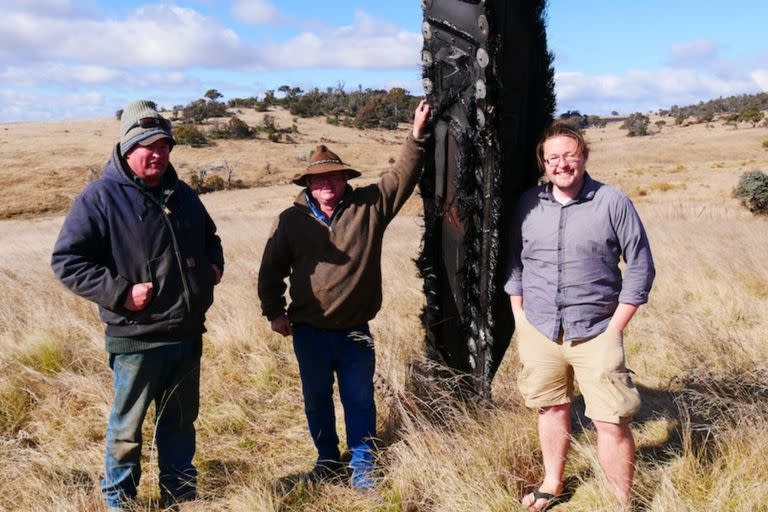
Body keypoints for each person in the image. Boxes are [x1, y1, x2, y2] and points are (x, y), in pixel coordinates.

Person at [51, 100, 224, 510]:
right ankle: (119, 503)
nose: (158, 154)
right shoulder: (99, 198)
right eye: (149, 145)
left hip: (185, 335)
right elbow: (67, 261)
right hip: (136, 339)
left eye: (165, 146)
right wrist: (121, 293)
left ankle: (180, 498)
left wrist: (212, 267)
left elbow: (210, 237)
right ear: (127, 148)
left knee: (180, 425)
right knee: (126, 430)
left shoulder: (183, 195)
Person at [258, 100, 431, 490]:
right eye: (318, 180)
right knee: (316, 400)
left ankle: (363, 464)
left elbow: (401, 176)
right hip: (308, 331)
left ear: (344, 179)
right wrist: (274, 312)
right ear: (308, 185)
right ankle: (326, 459)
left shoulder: (368, 207)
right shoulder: (290, 221)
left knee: (359, 399)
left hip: (355, 331)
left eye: (333, 177)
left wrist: (417, 134)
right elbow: (271, 271)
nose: (326, 185)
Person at [505, 122, 655, 511]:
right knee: (551, 407)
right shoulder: (528, 203)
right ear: (544, 163)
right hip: (540, 329)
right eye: (553, 158)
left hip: (597, 331)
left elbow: (639, 265)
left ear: (583, 156)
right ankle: (553, 484)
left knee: (610, 420)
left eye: (569, 155)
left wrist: (616, 327)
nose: (562, 164)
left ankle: (620, 503)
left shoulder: (612, 201)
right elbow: (515, 264)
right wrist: (520, 318)